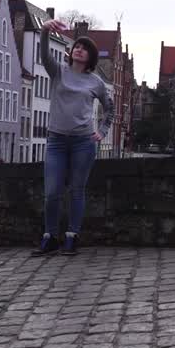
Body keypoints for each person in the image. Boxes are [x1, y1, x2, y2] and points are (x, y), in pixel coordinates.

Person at [33, 18, 115, 256]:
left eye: (84, 48)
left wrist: (102, 132)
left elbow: (110, 109)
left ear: (90, 57)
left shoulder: (96, 82)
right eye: (77, 46)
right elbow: (44, 53)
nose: (79, 49)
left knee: (77, 190)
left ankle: (72, 235)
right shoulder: (58, 71)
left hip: (83, 142)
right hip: (56, 140)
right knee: (52, 192)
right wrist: (45, 30)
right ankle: (49, 236)